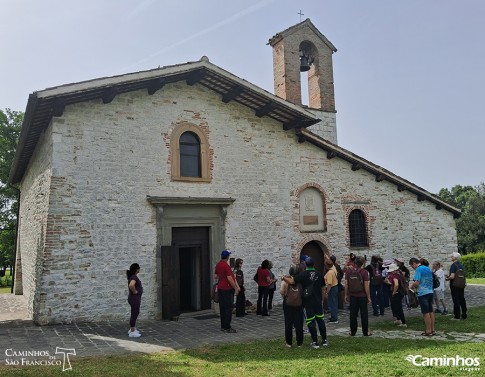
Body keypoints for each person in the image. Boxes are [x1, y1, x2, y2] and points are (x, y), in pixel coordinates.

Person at [283, 257, 328, 348]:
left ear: (306, 265)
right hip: (318, 302)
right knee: (321, 321)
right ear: (313, 264)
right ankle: (324, 340)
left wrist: (283, 277)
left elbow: (292, 281)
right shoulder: (319, 274)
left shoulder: (303, 275)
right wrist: (322, 300)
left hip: (308, 302)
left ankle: (315, 342)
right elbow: (323, 289)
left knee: (311, 321)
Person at [345, 256, 372, 337]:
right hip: (362, 295)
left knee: (353, 314)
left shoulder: (349, 271)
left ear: (355, 262)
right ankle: (365, 332)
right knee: (364, 314)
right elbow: (366, 286)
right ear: (362, 263)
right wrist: (368, 297)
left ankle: (353, 332)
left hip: (353, 295)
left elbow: (346, 284)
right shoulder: (364, 272)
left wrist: (346, 294)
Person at [215, 250, 240, 333]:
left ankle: (223, 326)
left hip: (220, 287)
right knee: (228, 308)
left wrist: (222, 277)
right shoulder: (226, 266)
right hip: (227, 289)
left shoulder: (218, 264)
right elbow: (230, 279)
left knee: (222, 308)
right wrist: (236, 288)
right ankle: (227, 327)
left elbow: (216, 276)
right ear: (227, 257)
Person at [409, 257, 435, 336]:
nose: (413, 268)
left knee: (425, 312)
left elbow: (417, 282)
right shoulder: (427, 268)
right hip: (430, 291)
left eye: (412, 266)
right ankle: (433, 329)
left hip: (423, 293)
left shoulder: (418, 269)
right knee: (431, 311)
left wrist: (410, 287)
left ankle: (428, 330)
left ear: (414, 263)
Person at [280, 264, 304, 347]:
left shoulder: (285, 281)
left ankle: (289, 342)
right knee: (299, 323)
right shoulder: (301, 281)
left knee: (288, 323)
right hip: (299, 304)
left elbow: (282, 292)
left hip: (287, 304)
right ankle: (299, 342)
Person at [445, 252, 467, 320]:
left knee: (456, 300)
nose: (451, 257)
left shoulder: (453, 265)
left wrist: (447, 278)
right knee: (462, 299)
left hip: (454, 285)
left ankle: (457, 316)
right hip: (461, 284)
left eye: (452, 256)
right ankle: (464, 315)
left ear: (455, 257)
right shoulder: (461, 265)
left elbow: (452, 276)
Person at [127, 263, 143, 338]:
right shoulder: (134, 277)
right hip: (134, 298)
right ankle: (132, 332)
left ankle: (132, 329)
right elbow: (131, 285)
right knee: (135, 313)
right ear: (136, 269)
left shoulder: (133, 276)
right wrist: (135, 291)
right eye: (138, 268)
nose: (139, 269)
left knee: (135, 312)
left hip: (134, 298)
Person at [324, 257, 339, 323]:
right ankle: (333, 316)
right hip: (335, 287)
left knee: (332, 304)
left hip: (332, 288)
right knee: (334, 303)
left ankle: (334, 318)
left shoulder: (330, 272)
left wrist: (327, 293)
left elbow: (329, 284)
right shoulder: (333, 267)